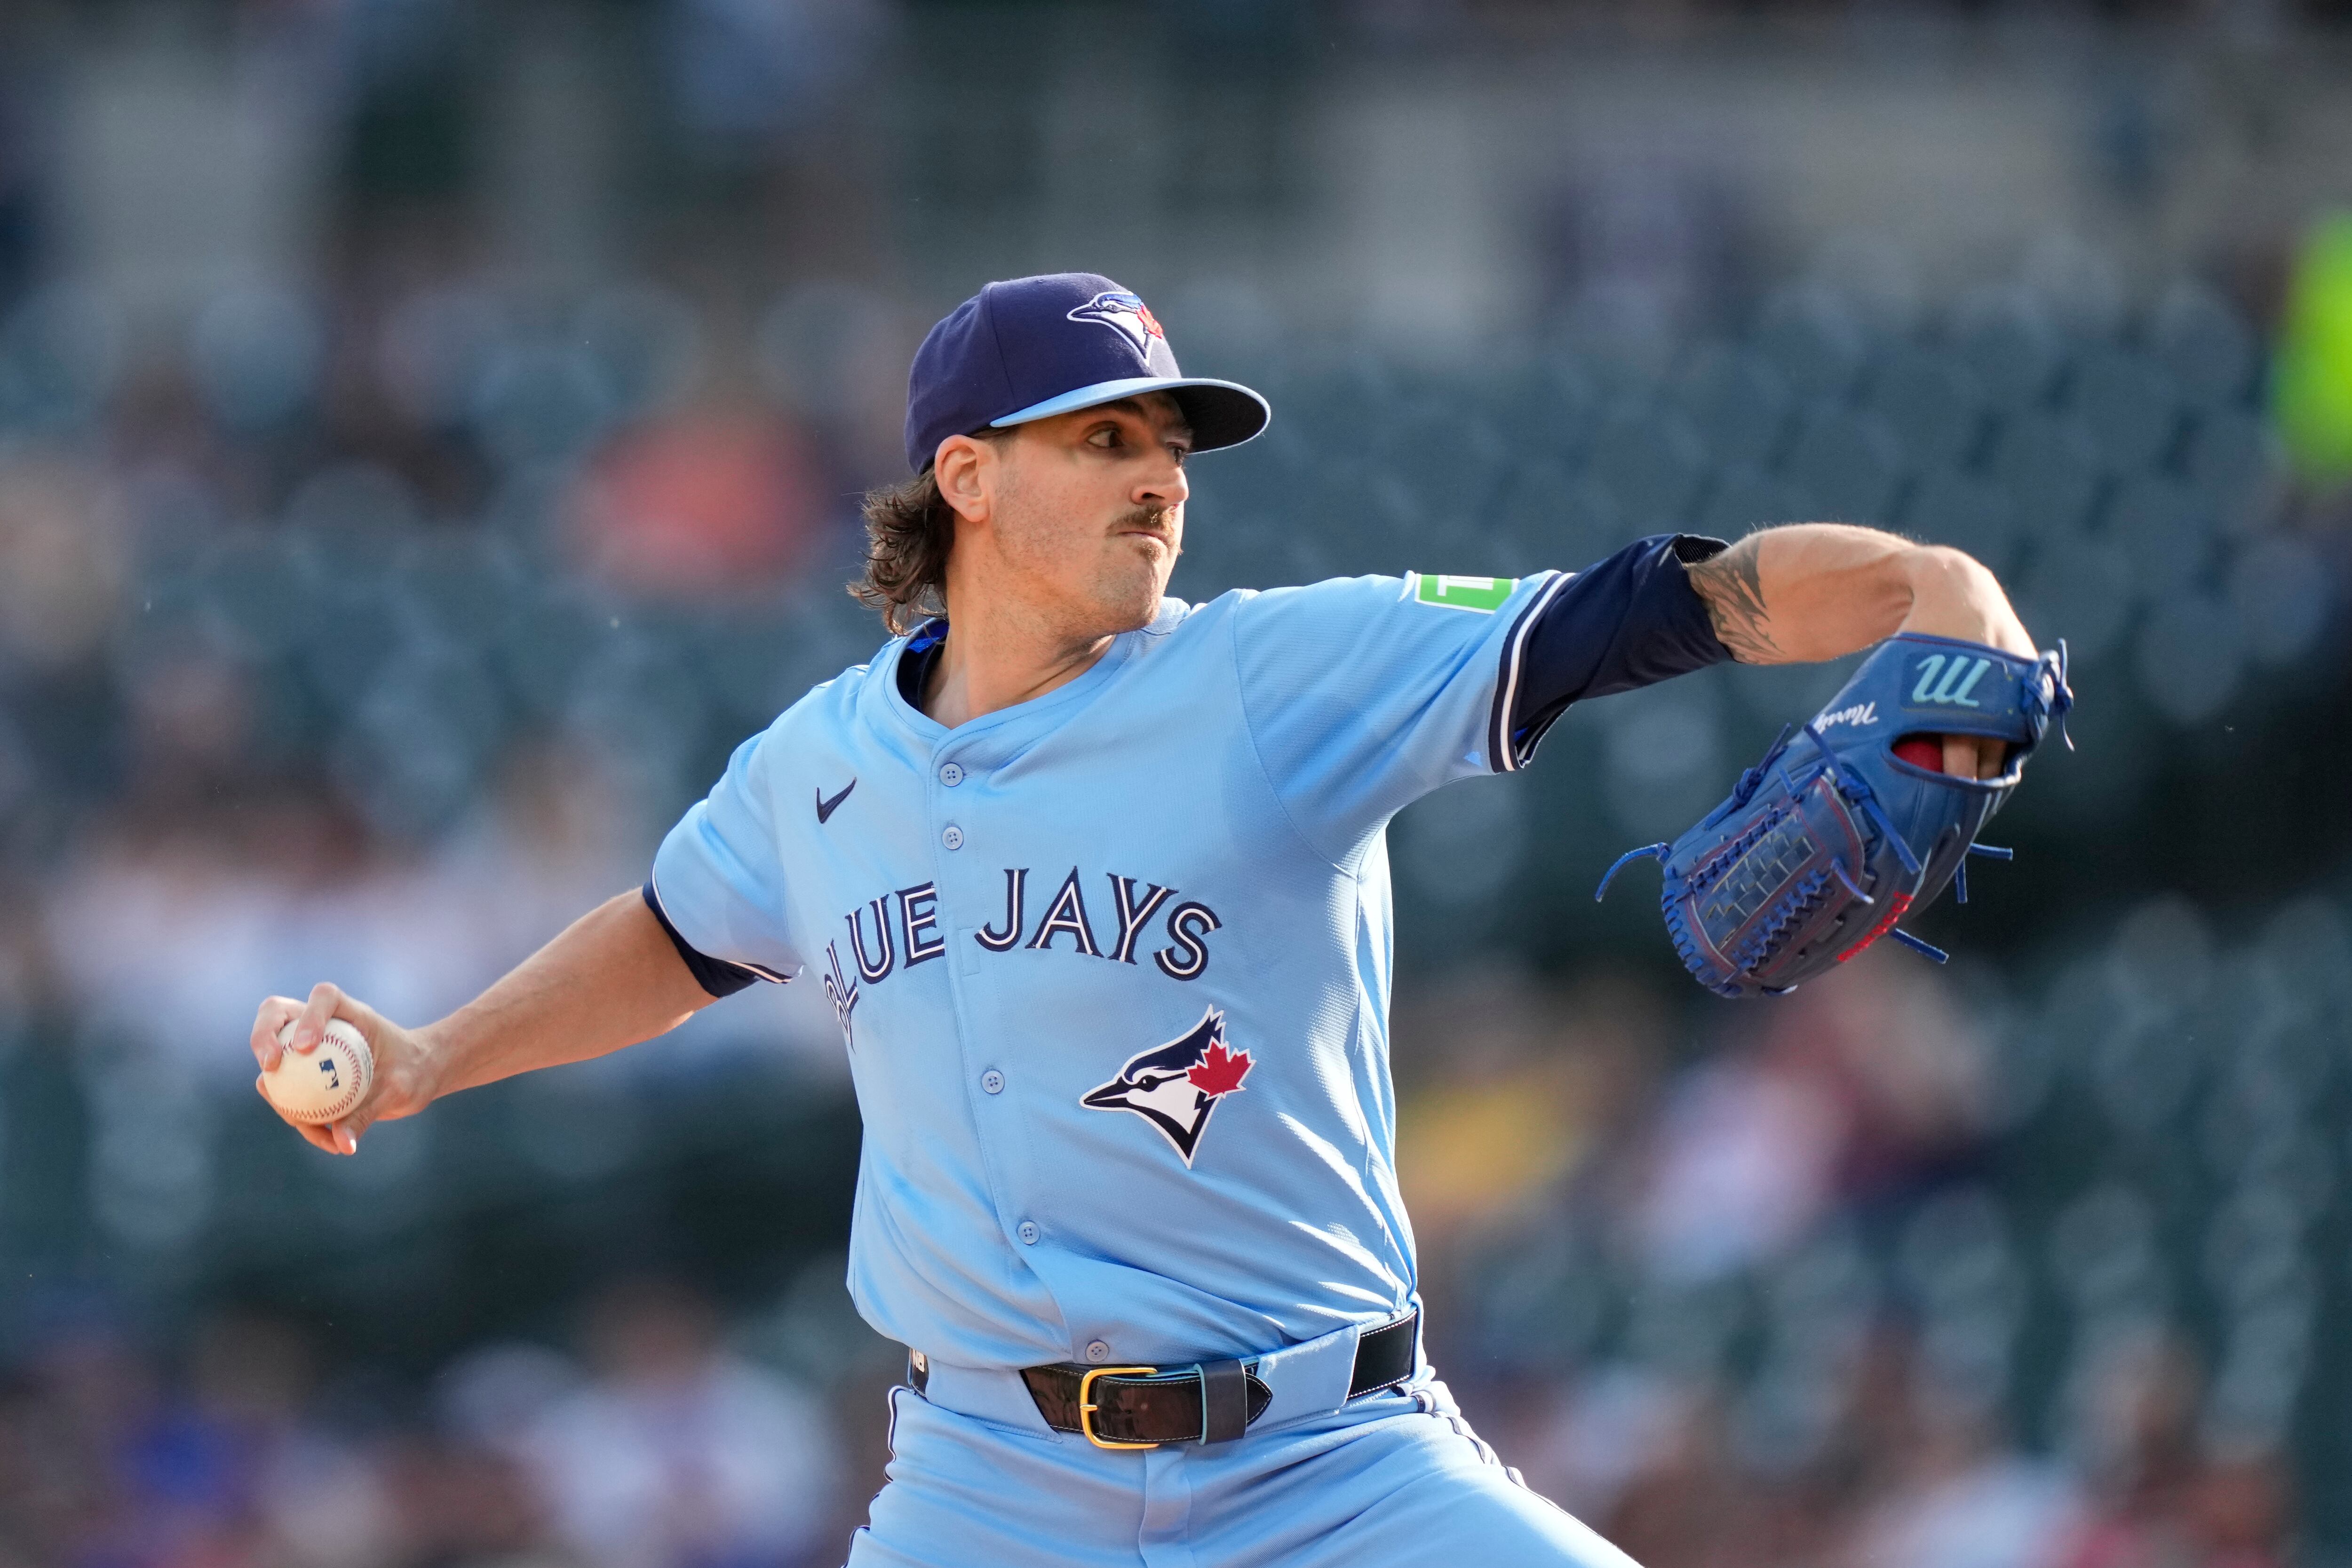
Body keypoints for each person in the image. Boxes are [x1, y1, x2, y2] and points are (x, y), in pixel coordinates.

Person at [250, 272, 2034, 1567]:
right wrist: (427, 1059)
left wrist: (1931, 586)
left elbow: (1663, 603)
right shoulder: (818, 765)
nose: (1162, 475)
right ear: (966, 478)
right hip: (986, 1488)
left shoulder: (1279, 673)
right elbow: (670, 938)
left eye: (1173, 442)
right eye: (1105, 438)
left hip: (1331, 1471)